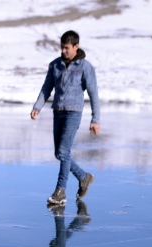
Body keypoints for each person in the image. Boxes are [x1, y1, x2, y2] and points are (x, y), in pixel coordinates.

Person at [31, 30, 100, 205]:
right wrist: (37, 107)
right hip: (58, 112)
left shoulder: (85, 67)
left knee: (63, 152)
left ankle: (60, 192)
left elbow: (93, 94)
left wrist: (95, 119)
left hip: (74, 113)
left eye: (67, 48)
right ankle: (83, 177)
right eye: (62, 47)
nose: (63, 51)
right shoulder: (55, 65)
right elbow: (46, 88)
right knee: (59, 153)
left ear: (76, 47)